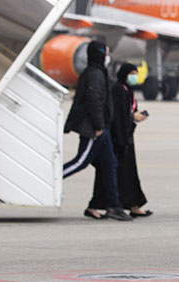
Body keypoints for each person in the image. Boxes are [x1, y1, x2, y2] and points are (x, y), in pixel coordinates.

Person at [61, 40, 132, 221]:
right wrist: (99, 126)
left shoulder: (98, 72)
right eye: (107, 53)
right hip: (95, 129)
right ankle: (51, 179)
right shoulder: (95, 75)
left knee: (110, 165)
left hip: (103, 128)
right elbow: (94, 101)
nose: (108, 57)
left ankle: (112, 206)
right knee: (81, 162)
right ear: (100, 54)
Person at [91, 63, 151, 217]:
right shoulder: (117, 90)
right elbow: (118, 115)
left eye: (135, 73)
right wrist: (132, 117)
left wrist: (135, 117)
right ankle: (99, 205)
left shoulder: (128, 91)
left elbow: (129, 111)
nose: (134, 76)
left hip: (126, 137)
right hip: (118, 138)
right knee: (111, 172)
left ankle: (133, 205)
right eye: (131, 73)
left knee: (129, 174)